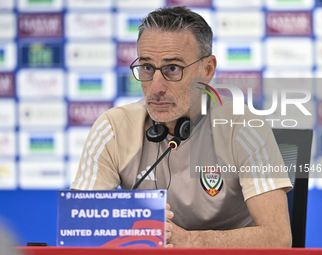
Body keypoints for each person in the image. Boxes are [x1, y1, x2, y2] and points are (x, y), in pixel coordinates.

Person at [71, 6, 292, 247]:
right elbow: (80, 228)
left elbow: (278, 237)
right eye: (147, 68)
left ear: (206, 70)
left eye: (172, 69)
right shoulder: (113, 128)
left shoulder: (243, 126)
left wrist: (190, 241)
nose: (156, 87)